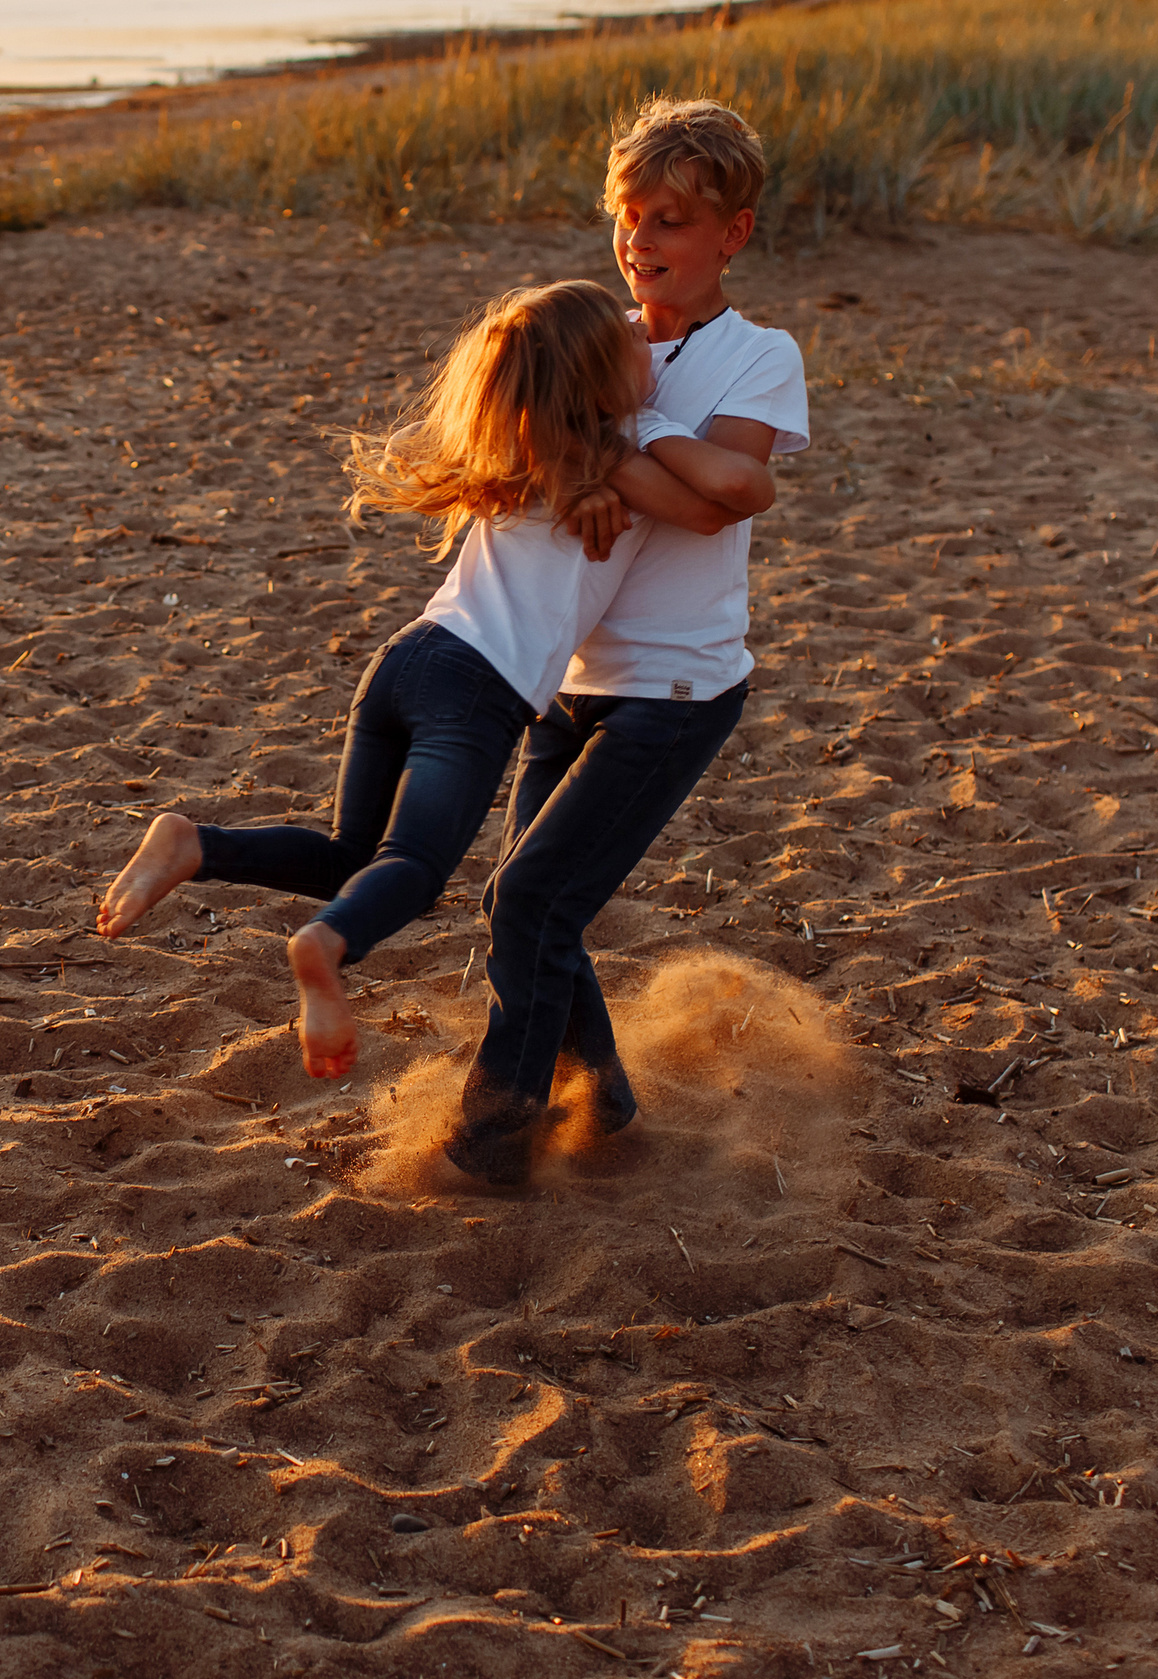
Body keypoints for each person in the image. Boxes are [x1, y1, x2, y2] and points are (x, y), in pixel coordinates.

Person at [97, 278, 754, 1078]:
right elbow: (709, 510)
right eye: (630, 345)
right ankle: (325, 945)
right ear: (597, 381)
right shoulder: (617, 448)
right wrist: (646, 441)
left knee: (350, 855)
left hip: (406, 659)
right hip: (475, 691)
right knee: (413, 865)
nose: (645, 346)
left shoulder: (525, 444)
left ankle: (195, 843)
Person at [443, 97, 811, 1187]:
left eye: (670, 222)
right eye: (628, 216)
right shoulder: (592, 335)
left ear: (732, 233)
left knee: (531, 900)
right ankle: (600, 1095)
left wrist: (610, 451)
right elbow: (519, 445)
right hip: (568, 670)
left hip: (677, 688)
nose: (640, 241)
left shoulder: (757, 356)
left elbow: (709, 505)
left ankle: (491, 1137)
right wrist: (580, 468)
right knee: (526, 899)